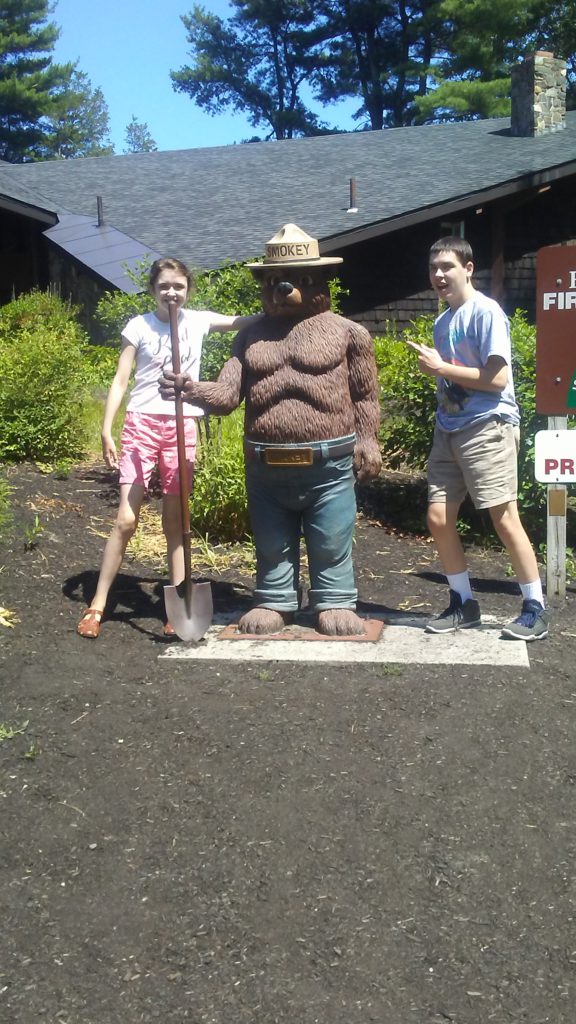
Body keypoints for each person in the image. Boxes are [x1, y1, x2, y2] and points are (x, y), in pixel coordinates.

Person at [77, 257, 258, 639]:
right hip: (142, 423)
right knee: (126, 520)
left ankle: (178, 605)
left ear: (188, 289)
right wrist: (107, 430)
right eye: (164, 286)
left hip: (182, 423)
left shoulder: (197, 320)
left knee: (176, 521)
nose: (171, 293)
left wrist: (283, 307)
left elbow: (244, 321)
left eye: (178, 286)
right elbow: (120, 380)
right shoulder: (138, 325)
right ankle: (97, 604)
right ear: (152, 290)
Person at [406, 236, 549, 641]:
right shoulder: (441, 322)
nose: (438, 275)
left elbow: (498, 378)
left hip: (488, 426)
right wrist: (441, 376)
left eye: (447, 267)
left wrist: (442, 369)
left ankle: (534, 608)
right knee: (438, 518)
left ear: (468, 268)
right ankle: (463, 604)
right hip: (448, 428)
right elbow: (453, 380)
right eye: (434, 268)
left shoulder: (487, 313)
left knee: (504, 518)